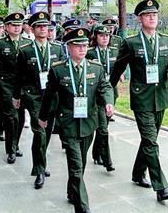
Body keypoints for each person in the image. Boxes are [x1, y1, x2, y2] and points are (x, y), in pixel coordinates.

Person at [110, 0, 168, 202]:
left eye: (155, 14)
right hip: (142, 99)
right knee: (150, 141)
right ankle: (161, 187)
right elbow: (118, 69)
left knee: (150, 140)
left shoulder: (167, 41)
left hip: (161, 97)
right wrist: (107, 93)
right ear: (140, 18)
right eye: (148, 15)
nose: (152, 17)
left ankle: (137, 172)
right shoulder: (131, 43)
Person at [39, 27, 115, 213]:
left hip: (89, 122)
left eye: (84, 45)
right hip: (68, 123)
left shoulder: (96, 68)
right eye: (77, 45)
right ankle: (82, 206)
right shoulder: (58, 70)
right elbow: (48, 95)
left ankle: (72, 191)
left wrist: (108, 102)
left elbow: (105, 87)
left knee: (81, 162)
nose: (82, 49)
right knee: (75, 164)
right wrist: (43, 117)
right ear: (68, 47)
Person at [13, 11, 65, 189]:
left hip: (52, 98)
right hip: (34, 96)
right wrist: (16, 96)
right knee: (39, 131)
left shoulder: (57, 49)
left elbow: (63, 76)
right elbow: (18, 76)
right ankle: (40, 170)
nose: (43, 29)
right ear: (33, 29)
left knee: (48, 131)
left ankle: (40, 162)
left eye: (46, 26)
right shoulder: (25, 50)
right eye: (39, 26)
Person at [0, 12, 29, 163]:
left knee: (20, 116)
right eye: (13, 25)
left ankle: (16, 144)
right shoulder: (0, 43)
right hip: (6, 84)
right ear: (7, 27)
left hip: (22, 85)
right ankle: (10, 149)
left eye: (19, 25)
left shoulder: (27, 43)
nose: (17, 28)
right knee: (10, 115)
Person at [86, 25, 118, 171]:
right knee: (103, 129)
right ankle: (107, 160)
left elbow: (120, 66)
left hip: (110, 92)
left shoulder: (114, 51)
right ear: (96, 37)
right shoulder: (89, 53)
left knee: (103, 125)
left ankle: (96, 153)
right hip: (96, 94)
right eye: (101, 35)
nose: (105, 38)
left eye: (107, 35)